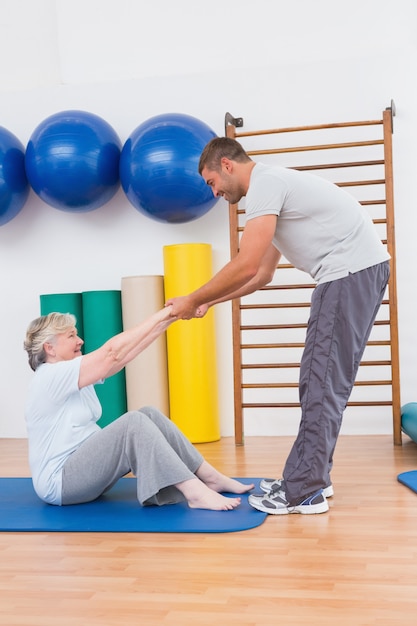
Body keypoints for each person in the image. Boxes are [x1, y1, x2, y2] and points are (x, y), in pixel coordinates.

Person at [166, 136, 391, 516]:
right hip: (354, 273)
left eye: (211, 183)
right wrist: (207, 302)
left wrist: (190, 297)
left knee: (320, 381)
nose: (215, 192)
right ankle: (312, 476)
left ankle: (305, 490)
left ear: (226, 165)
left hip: (347, 274)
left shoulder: (266, 185)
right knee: (320, 381)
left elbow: (246, 263)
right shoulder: (273, 192)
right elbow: (263, 275)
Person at [23, 308, 254, 510]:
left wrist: (171, 319)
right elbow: (111, 353)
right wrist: (167, 312)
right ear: (49, 348)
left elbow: (123, 356)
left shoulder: (71, 374)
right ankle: (195, 493)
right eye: (71, 336)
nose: (80, 340)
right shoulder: (49, 377)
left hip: (85, 471)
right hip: (60, 483)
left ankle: (209, 477)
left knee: (148, 414)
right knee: (133, 422)